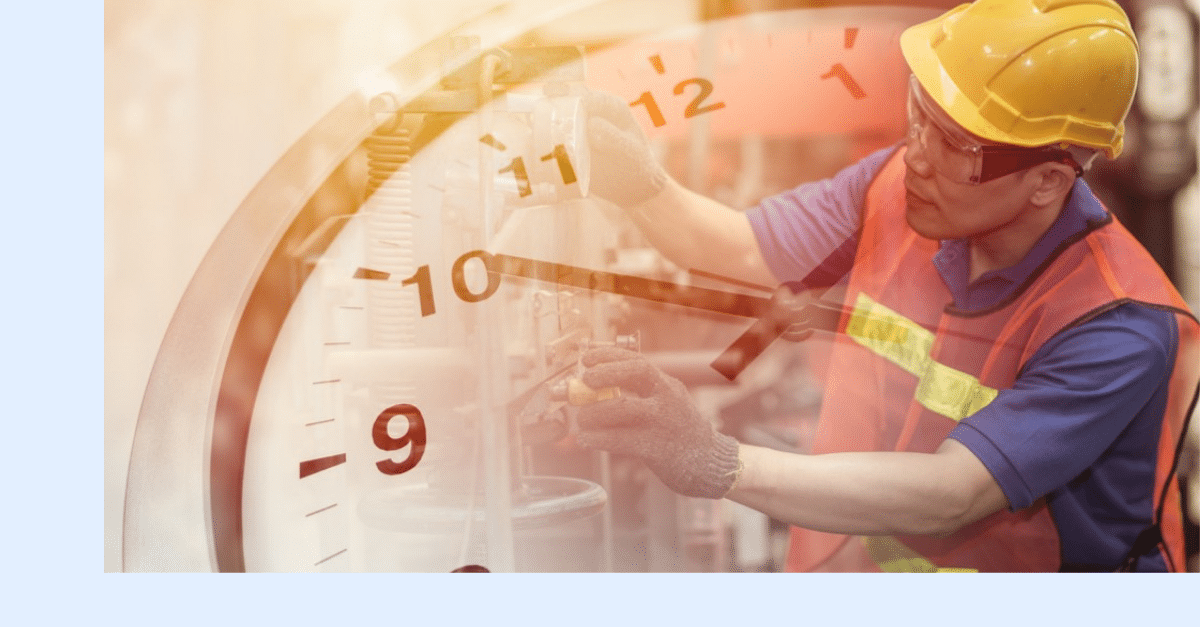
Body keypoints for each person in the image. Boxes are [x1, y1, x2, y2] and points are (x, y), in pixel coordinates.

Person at [575, 0, 1200, 572]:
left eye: (957, 144)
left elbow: (956, 493)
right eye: (918, 114)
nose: (919, 154)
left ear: (1047, 181)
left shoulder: (1117, 323)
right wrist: (641, 186)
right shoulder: (897, 187)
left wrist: (716, 460)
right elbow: (744, 247)